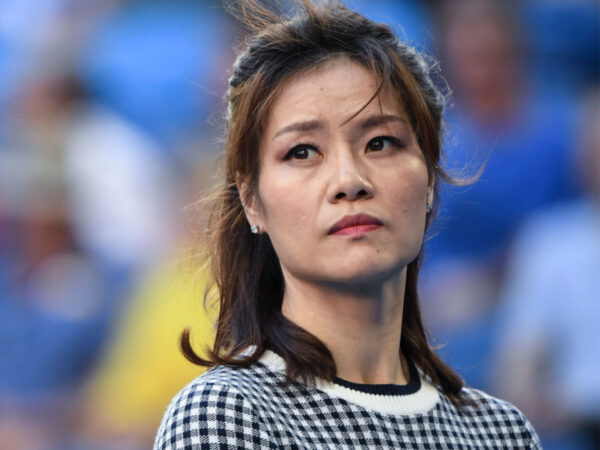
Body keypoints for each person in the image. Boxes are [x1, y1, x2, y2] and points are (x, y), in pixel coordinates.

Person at [154, 1, 541, 448]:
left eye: (380, 142)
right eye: (302, 151)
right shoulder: (227, 415)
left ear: (430, 177)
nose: (349, 181)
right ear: (252, 201)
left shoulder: (503, 433)